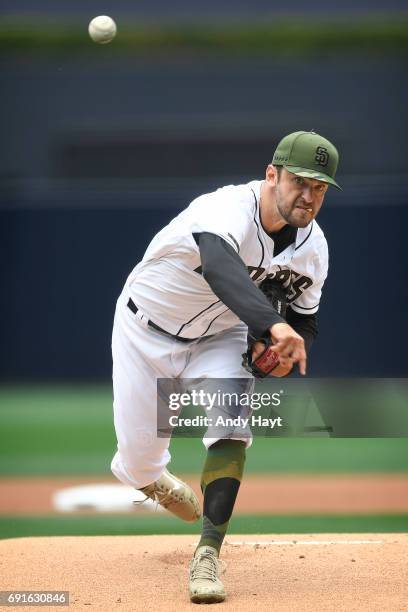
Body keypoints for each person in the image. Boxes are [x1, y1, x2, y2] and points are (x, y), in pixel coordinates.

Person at [110, 130, 340, 604]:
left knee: (231, 422)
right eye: (299, 181)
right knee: (137, 460)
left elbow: (305, 322)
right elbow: (219, 266)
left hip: (222, 335)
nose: (308, 195)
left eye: (320, 187)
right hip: (144, 330)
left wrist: (279, 354)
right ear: (272, 175)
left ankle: (208, 554)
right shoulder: (226, 209)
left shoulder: (313, 248)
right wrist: (274, 325)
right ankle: (148, 477)